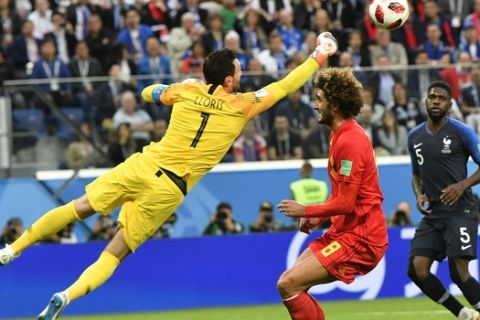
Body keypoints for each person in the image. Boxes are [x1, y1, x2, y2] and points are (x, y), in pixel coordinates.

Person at [0, 32, 338, 319]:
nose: (241, 75)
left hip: (144, 165)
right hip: (169, 189)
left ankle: (12, 249)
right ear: (229, 81)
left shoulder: (187, 91)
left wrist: (171, 87)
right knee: (115, 253)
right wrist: (317, 56)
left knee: (80, 206)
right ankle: (67, 295)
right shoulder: (243, 104)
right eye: (238, 71)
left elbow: (150, 94)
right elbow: (284, 86)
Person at [276, 67, 388, 320]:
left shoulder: (350, 141)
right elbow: (343, 192)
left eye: (319, 99)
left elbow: (347, 203)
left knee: (288, 284)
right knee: (290, 283)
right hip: (344, 231)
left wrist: (307, 210)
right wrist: (319, 218)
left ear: (334, 104)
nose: (315, 105)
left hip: (361, 237)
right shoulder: (340, 134)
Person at [407, 81, 480, 320]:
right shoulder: (414, 136)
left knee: (459, 273)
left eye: (441, 98)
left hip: (461, 210)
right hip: (434, 214)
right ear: (425, 101)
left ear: (449, 105)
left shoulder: (461, 132)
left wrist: (462, 185)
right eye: (432, 97)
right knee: (417, 270)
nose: (436, 100)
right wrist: (419, 194)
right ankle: (462, 314)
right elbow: (416, 175)